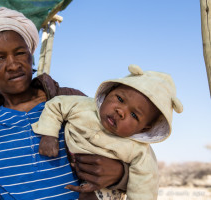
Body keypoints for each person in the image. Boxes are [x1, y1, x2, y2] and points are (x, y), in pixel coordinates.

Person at [0, 7, 129, 200]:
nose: (14, 65)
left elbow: (128, 148)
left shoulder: (71, 101)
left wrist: (119, 174)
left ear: (31, 55)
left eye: (20, 53)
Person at [32, 64, 183, 200]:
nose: (120, 111)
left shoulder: (139, 150)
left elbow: (145, 185)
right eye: (120, 99)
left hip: (104, 190)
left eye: (134, 115)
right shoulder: (82, 105)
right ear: (109, 91)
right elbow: (55, 105)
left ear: (144, 128)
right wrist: (49, 134)